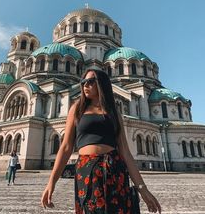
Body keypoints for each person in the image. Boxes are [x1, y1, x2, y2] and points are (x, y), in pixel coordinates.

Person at [41, 68, 161, 213]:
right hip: (87, 170)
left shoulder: (113, 112)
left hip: (114, 169)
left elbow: (125, 152)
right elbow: (66, 147)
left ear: (102, 84)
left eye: (91, 82)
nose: (85, 85)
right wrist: (51, 182)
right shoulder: (77, 108)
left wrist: (143, 189)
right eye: (83, 82)